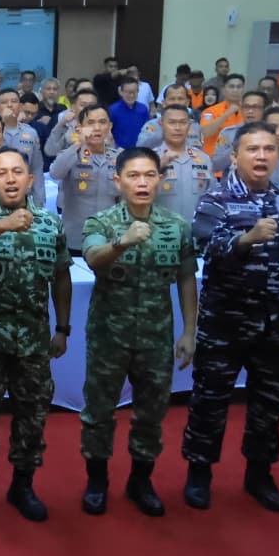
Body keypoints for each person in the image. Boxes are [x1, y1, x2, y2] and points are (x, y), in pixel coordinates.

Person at [181, 123, 279, 512]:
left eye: (269, 149)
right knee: (210, 400)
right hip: (226, 322)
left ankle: (259, 473)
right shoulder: (216, 200)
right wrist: (245, 239)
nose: (261, 156)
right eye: (253, 149)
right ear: (235, 156)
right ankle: (199, 473)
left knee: (270, 403)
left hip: (277, 323)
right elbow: (205, 246)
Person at [0, 147, 72, 521]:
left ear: (30, 179)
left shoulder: (49, 223)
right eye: (1, 173)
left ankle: (23, 485)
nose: (10, 179)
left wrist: (63, 328)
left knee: (32, 416)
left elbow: (62, 276)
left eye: (17, 172)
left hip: (34, 341)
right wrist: (3, 225)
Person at [78, 147, 198, 517]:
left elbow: (186, 278)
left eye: (149, 175)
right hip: (108, 335)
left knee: (151, 413)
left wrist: (189, 330)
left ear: (160, 179)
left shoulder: (177, 226)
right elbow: (92, 259)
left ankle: (141, 480)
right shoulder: (101, 222)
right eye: (133, 175)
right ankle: (97, 480)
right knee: (99, 412)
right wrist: (122, 241)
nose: (142, 183)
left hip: (156, 336)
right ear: (118, 181)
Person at [50, 105, 120, 254]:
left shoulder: (119, 158)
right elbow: (55, 173)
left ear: (110, 126)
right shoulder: (71, 154)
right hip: (76, 237)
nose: (97, 128)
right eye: (91, 122)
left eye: (102, 122)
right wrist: (78, 144)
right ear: (80, 128)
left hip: (109, 237)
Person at [152, 105, 214, 223]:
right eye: (172, 122)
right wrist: (157, 166)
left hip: (196, 229)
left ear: (189, 125)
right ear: (161, 123)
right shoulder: (149, 159)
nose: (177, 128)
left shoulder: (203, 159)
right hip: (162, 230)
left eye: (183, 123)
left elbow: (212, 197)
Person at [0, 88, 46, 205]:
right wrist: (2, 122)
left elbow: (36, 168)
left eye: (14, 101)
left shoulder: (31, 132)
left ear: (20, 106)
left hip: (23, 196)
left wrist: (39, 201)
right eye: (4, 102)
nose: (9, 105)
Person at [210, 90, 269, 175]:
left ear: (265, 109)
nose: (250, 111)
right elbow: (215, 165)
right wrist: (237, 148)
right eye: (246, 107)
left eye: (255, 107)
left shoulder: (272, 134)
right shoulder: (228, 133)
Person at [137, 85, 202, 148]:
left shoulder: (194, 125)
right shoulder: (152, 125)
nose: (176, 102)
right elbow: (141, 147)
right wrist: (163, 131)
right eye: (172, 99)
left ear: (187, 102)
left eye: (180, 99)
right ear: (164, 103)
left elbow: (197, 149)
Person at [108, 76, 149, 150]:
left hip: (139, 151)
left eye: (134, 92)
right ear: (121, 92)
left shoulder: (143, 109)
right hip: (119, 152)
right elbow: (107, 132)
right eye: (128, 92)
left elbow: (148, 130)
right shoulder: (112, 110)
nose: (131, 95)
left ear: (138, 92)